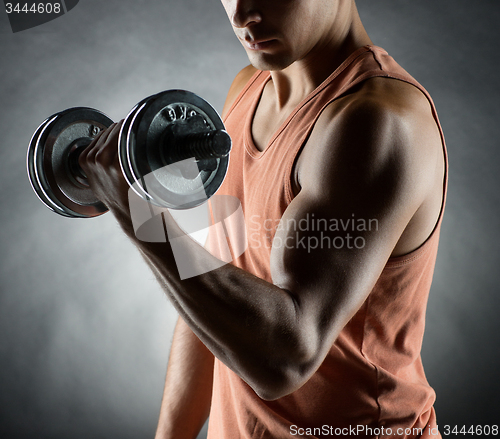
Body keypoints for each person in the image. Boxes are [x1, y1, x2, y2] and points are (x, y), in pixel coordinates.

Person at [79, 0, 447, 437]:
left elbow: (289, 357)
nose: (241, 13)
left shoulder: (378, 121)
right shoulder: (248, 88)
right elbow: (214, 274)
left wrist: (138, 214)